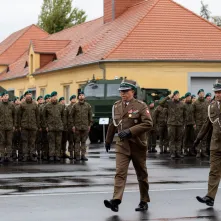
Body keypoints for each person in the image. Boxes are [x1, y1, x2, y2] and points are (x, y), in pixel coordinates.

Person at [104, 80, 153, 212]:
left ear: (133, 92)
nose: (123, 93)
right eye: (121, 91)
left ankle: (144, 200)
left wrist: (131, 131)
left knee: (141, 174)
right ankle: (116, 200)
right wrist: (108, 140)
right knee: (120, 172)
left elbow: (148, 123)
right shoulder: (116, 106)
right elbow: (113, 123)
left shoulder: (141, 106)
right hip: (122, 145)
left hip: (138, 144)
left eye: (125, 91)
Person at [195, 79, 221, 207]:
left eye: (220, 92)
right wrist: (198, 139)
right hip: (216, 144)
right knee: (214, 171)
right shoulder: (211, 106)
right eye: (216, 92)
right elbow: (207, 124)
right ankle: (210, 197)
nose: (217, 94)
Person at [159, 90, 186, 159]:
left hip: (180, 124)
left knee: (179, 139)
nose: (177, 96)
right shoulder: (169, 103)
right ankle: (173, 153)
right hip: (171, 123)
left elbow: (184, 114)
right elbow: (161, 103)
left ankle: (178, 152)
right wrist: (168, 97)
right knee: (172, 139)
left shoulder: (182, 104)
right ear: (173, 96)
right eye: (176, 95)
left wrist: (184, 123)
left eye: (178, 95)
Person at [18, 91, 40, 162]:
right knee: (25, 142)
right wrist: (19, 125)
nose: (29, 96)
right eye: (27, 95)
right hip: (24, 126)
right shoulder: (22, 104)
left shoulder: (35, 104)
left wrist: (37, 125)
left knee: (32, 142)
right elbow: (19, 116)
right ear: (25, 96)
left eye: (30, 94)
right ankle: (25, 156)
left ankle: (31, 156)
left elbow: (37, 115)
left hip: (33, 126)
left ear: (31, 96)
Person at [43, 91, 65, 161]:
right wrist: (46, 125)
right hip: (50, 127)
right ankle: (51, 155)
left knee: (58, 142)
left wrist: (62, 124)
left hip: (59, 127)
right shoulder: (47, 106)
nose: (54, 98)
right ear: (51, 97)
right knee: (51, 142)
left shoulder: (60, 105)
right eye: (53, 97)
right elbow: (44, 116)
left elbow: (63, 116)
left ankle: (57, 155)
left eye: (55, 96)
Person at [71, 91, 92, 161]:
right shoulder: (75, 106)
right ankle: (77, 155)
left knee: (83, 142)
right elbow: (71, 116)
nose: (81, 96)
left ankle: (83, 155)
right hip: (77, 127)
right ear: (78, 97)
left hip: (85, 127)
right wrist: (73, 125)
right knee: (77, 142)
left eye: (82, 95)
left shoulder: (88, 105)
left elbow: (90, 116)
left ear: (84, 97)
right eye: (80, 95)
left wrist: (89, 125)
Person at [192, 89, 209, 158]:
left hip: (205, 123)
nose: (202, 94)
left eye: (203, 93)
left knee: (204, 138)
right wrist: (194, 123)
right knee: (198, 138)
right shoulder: (195, 103)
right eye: (201, 93)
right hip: (198, 123)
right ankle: (198, 152)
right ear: (198, 94)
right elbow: (192, 114)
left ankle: (204, 152)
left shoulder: (207, 102)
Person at [0, 91, 16, 163]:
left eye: (7, 95)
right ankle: (2, 156)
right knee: (2, 142)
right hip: (1, 126)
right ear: (2, 97)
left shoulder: (11, 105)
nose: (6, 97)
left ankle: (9, 156)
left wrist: (14, 125)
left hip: (9, 126)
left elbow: (14, 115)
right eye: (5, 96)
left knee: (9, 142)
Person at [67, 95, 77, 159]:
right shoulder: (68, 107)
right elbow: (66, 117)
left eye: (74, 99)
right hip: (70, 126)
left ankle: (76, 154)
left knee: (76, 141)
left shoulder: (77, 106)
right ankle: (71, 154)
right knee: (71, 141)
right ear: (70, 100)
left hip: (77, 126)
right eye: (72, 99)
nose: (74, 100)